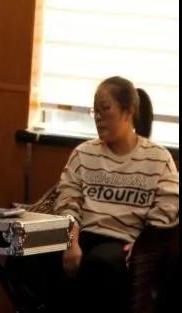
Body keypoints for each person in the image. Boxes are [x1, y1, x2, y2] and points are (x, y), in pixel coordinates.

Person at [51, 76, 179, 311]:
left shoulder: (158, 158)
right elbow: (67, 201)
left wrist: (143, 245)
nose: (98, 117)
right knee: (25, 257)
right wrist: (71, 242)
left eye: (105, 109)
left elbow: (168, 208)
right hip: (81, 234)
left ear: (128, 112)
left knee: (101, 263)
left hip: (123, 243)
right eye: (95, 111)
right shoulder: (83, 153)